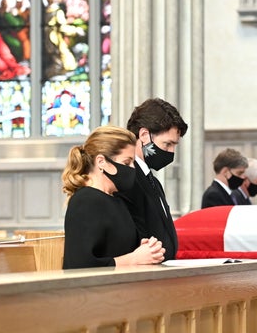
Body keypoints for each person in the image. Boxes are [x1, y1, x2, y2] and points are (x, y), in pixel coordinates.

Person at [62, 126, 165, 269]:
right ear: (101, 162)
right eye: (126, 163)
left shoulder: (116, 200)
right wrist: (133, 259)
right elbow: (80, 265)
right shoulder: (86, 201)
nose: (132, 169)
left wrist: (145, 250)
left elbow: (114, 250)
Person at [120, 98, 188, 262]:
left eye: (174, 146)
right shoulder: (128, 179)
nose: (171, 152)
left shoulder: (153, 181)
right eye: (167, 144)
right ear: (144, 135)